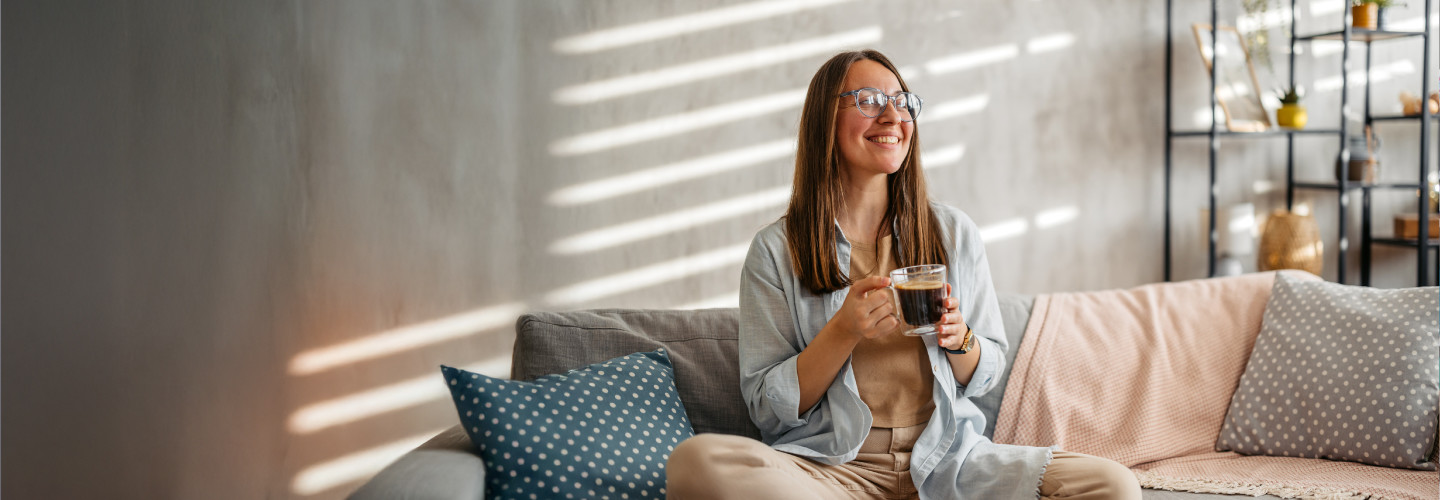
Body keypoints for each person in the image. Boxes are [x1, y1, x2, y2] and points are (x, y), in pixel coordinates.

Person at [665, 50, 1141, 500]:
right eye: (869, 101)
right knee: (697, 462)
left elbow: (987, 370)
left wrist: (962, 341)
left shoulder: (952, 233)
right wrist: (843, 330)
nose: (893, 116)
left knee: (1112, 485)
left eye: (902, 102)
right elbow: (768, 409)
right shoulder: (776, 251)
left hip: (948, 461)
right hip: (834, 469)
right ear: (823, 122)